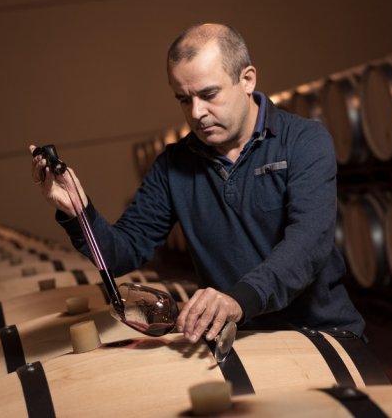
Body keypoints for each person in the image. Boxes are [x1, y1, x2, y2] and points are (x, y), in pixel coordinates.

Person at [30, 23, 365, 344]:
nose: (196, 112)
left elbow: (307, 244)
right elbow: (122, 253)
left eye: (209, 94)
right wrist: (79, 212)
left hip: (320, 333)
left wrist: (239, 300)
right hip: (238, 343)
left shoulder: (304, 141)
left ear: (247, 79)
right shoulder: (173, 166)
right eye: (183, 99)